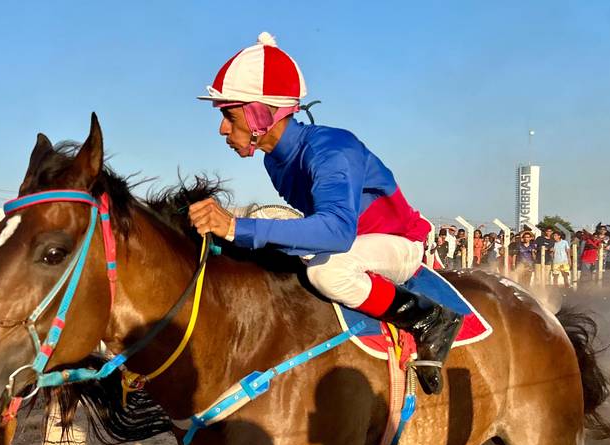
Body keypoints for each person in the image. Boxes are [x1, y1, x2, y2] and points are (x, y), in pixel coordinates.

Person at [188, 32, 461, 394]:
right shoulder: (275, 161)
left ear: (258, 112)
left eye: (229, 113)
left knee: (328, 272)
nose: (222, 127)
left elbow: (336, 232)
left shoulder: (332, 149)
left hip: (398, 244)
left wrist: (237, 226)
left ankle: (427, 317)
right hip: (358, 242)